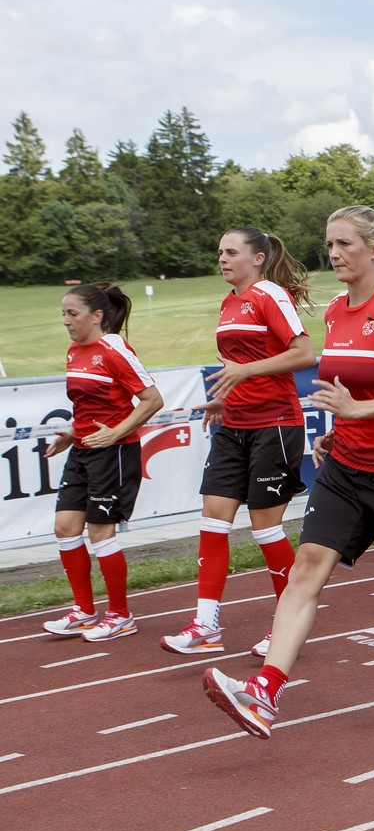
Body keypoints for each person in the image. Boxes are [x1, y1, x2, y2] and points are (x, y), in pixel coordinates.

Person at [203, 205, 374, 739]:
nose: (333, 254)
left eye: (344, 245)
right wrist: (342, 426)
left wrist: (359, 411)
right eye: (329, 245)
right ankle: (265, 692)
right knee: (307, 567)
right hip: (345, 466)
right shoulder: (335, 309)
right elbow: (354, 388)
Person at [162, 229, 314, 657]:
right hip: (233, 423)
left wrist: (246, 375)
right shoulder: (229, 302)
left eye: (231, 252)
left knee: (265, 527)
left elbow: (303, 353)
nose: (222, 259)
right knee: (213, 517)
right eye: (219, 252)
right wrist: (224, 398)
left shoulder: (269, 295)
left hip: (275, 423)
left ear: (258, 258)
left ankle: (286, 624)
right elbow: (239, 365)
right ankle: (206, 624)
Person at [42, 283, 164, 641]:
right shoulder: (73, 351)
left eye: (72, 314)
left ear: (97, 316)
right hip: (82, 449)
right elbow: (87, 404)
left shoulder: (114, 349)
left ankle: (120, 615)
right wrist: (70, 434)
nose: (66, 321)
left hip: (114, 452)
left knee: (100, 532)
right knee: (65, 527)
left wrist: (115, 433)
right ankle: (83, 609)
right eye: (63, 314)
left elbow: (152, 399)